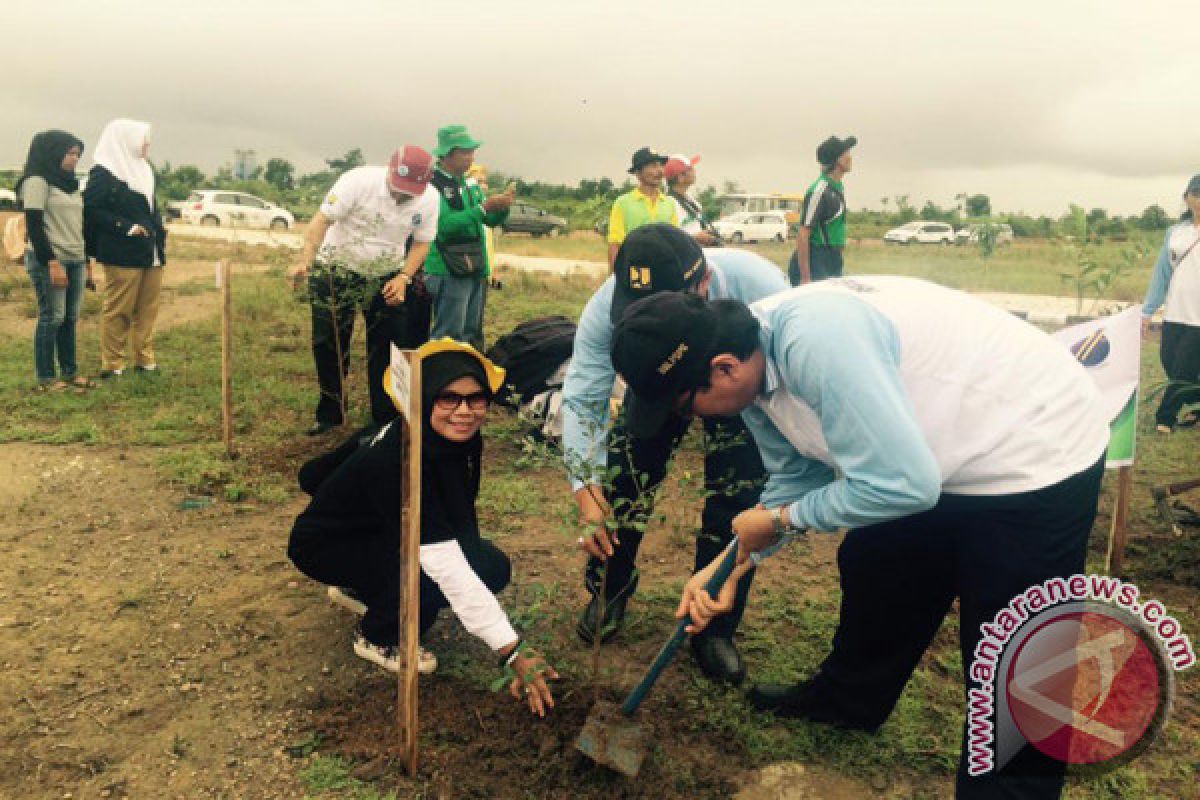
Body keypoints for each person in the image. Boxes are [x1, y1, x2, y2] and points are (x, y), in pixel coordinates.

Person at [611, 277, 1110, 798]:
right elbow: (795, 481)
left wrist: (782, 522)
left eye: (683, 407)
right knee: (880, 569)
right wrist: (729, 565)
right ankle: (847, 702)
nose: (686, 420)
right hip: (918, 454)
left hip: (1031, 448)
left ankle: (1013, 789)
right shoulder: (745, 366)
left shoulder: (817, 344)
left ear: (724, 369)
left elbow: (904, 486)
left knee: (1013, 648)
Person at [563, 223, 787, 684]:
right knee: (626, 478)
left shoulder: (759, 287)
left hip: (738, 387)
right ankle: (610, 588)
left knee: (737, 497)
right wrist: (585, 488)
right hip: (659, 384)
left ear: (702, 285)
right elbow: (584, 397)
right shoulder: (607, 305)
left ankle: (713, 626)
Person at [288, 340, 559, 716]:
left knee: (488, 566)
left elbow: (311, 474)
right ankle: (377, 635)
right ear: (426, 396)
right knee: (430, 576)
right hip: (324, 546)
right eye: (448, 399)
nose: (464, 411)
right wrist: (511, 649)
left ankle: (370, 587)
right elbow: (443, 563)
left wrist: (347, 493)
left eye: (476, 398)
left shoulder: (437, 434)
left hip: (371, 533)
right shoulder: (400, 459)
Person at [290, 145, 440, 436]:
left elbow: (422, 242)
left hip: (386, 276)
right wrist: (306, 262)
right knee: (328, 342)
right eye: (399, 187)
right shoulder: (357, 182)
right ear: (389, 169)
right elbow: (321, 221)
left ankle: (383, 417)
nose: (403, 195)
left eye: (411, 191)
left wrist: (403, 278)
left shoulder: (430, 199)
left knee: (386, 346)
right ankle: (331, 413)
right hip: (336, 269)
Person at [83, 119, 167, 378]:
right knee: (119, 308)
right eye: (143, 138)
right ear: (125, 138)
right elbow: (91, 210)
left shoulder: (144, 170)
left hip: (151, 251)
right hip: (122, 252)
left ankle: (144, 359)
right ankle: (113, 363)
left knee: (147, 309)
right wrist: (126, 227)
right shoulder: (103, 173)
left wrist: (160, 230)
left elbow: (150, 208)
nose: (147, 144)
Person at [15, 130, 94, 392]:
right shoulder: (37, 181)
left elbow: (79, 225)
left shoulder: (71, 184)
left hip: (76, 258)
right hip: (51, 259)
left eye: (77, 154)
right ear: (52, 153)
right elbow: (35, 226)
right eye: (70, 153)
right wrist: (51, 262)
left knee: (70, 317)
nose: (74, 159)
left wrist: (87, 262)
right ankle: (46, 378)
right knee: (52, 317)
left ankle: (70, 373)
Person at [425, 125, 512, 351]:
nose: (471, 157)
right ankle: (444, 381)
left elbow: (488, 220)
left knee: (471, 334)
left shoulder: (470, 185)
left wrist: (502, 207)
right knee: (449, 336)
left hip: (474, 266)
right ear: (446, 155)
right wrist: (483, 208)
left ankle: (468, 382)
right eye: (464, 152)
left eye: (472, 151)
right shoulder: (432, 185)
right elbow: (443, 227)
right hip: (447, 269)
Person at [1143, 173, 1200, 433]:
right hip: (1175, 312)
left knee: (1182, 370)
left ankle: (1164, 418)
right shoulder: (1175, 233)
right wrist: (1148, 311)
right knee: (1168, 361)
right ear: (1187, 197)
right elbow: (1162, 274)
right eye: (1196, 194)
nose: (1199, 200)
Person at [788, 135, 855, 286]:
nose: (850, 157)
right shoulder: (819, 192)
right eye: (847, 153)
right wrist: (806, 278)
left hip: (832, 258)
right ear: (837, 160)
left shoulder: (836, 188)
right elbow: (803, 235)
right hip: (816, 259)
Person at [606, 148, 678, 267]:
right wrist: (618, 277)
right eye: (653, 166)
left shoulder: (669, 203)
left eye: (661, 166)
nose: (659, 170)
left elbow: (676, 240)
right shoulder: (623, 203)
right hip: (636, 268)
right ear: (638, 173)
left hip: (664, 268)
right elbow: (615, 243)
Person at [664, 153, 719, 246]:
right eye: (690, 169)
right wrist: (695, 237)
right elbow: (669, 236)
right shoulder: (668, 203)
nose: (694, 171)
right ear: (680, 178)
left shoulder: (691, 200)